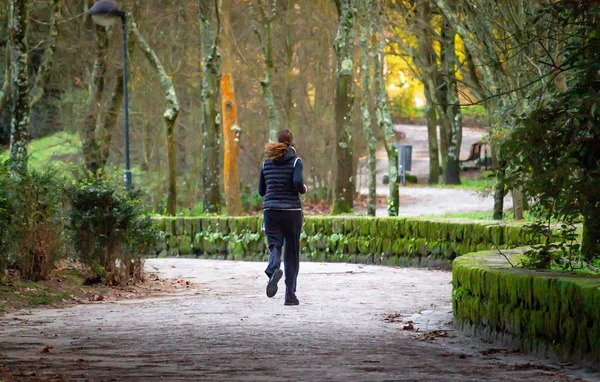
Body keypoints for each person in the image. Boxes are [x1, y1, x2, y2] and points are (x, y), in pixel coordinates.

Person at [258, 129, 307, 306]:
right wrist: (303, 189)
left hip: (270, 210)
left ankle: (273, 270)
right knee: (292, 252)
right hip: (292, 212)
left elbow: (261, 191)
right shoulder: (296, 162)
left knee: (275, 246)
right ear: (291, 143)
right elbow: (297, 183)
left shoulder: (266, 164)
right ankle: (290, 295)